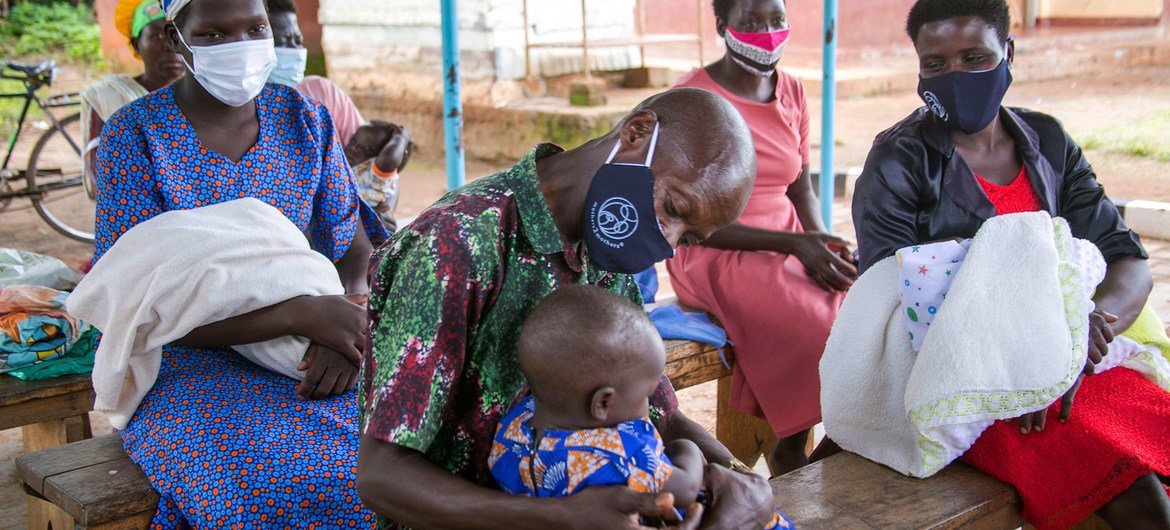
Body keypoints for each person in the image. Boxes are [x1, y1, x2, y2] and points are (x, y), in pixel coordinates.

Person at [357, 88, 780, 529]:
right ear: (637, 133)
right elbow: (381, 476)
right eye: (673, 207)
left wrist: (743, 481)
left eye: (687, 238)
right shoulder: (456, 247)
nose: (668, 242)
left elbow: (658, 414)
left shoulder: (607, 253)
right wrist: (559, 518)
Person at [852, 0, 1170, 528]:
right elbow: (889, 302)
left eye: (975, 57)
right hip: (963, 386)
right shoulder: (898, 161)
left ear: (1008, 54)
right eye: (936, 64)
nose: (955, 77)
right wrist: (1031, 355)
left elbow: (1128, 259)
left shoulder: (1048, 142)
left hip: (1078, 365)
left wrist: (1082, 331)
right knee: (1142, 500)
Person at [92, 0, 388, 526]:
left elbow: (355, 247)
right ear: (175, 37)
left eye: (255, 29)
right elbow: (135, 307)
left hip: (317, 344)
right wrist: (300, 315)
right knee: (266, 489)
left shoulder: (305, 120)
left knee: (403, 459)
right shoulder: (134, 136)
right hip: (188, 359)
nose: (240, 46)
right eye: (212, 33)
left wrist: (346, 320)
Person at [667, 0, 853, 474]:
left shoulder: (791, 90)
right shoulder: (692, 98)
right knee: (810, 321)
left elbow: (800, 186)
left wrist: (821, 240)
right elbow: (684, 215)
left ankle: (838, 441)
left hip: (787, 235)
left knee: (863, 305)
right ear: (722, 27)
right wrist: (794, 247)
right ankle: (789, 446)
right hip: (713, 242)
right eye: (750, 22)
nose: (767, 33)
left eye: (776, 20)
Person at [489, 285, 795, 530]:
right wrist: (685, 448)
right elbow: (686, 488)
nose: (650, 404)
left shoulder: (512, 430)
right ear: (603, 403)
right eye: (647, 394)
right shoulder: (623, 451)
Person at [81, 0, 185, 187]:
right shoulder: (108, 97)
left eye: (178, 34)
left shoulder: (207, 96)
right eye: (157, 36)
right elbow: (99, 176)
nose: (169, 45)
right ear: (136, 44)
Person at [265, 0, 365, 145]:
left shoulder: (323, 92)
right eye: (283, 40)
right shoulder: (241, 111)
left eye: (298, 40)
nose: (295, 50)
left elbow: (367, 154)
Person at [346, 120, 414, 231]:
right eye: (353, 142)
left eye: (367, 149)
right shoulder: (346, 166)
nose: (354, 149)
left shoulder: (375, 176)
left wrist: (401, 137)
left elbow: (389, 161)